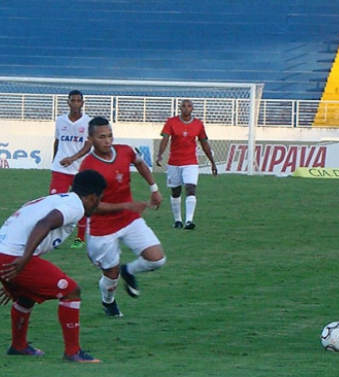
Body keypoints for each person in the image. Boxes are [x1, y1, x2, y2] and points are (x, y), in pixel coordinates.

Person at [0, 169, 107, 363]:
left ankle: (19, 346)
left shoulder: (56, 199)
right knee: (71, 291)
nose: (97, 204)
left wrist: (14, 276)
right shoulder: (75, 206)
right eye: (99, 199)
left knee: (26, 296)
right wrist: (24, 259)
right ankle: (73, 352)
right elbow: (45, 223)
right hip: (11, 255)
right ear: (92, 196)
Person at [79, 116, 166, 317]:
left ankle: (130, 270)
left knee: (157, 260)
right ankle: (108, 303)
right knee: (111, 274)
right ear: (91, 139)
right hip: (102, 228)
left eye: (110, 135)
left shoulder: (125, 151)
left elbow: (141, 164)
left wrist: (154, 189)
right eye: (102, 137)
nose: (108, 140)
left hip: (128, 219)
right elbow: (89, 207)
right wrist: (126, 205)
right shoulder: (88, 167)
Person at [155, 99, 218, 230]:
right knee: (176, 191)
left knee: (190, 188)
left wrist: (212, 162)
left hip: (191, 163)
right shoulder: (171, 122)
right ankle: (178, 220)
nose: (186, 108)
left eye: (189, 106)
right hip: (174, 162)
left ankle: (189, 220)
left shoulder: (198, 124)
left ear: (192, 109)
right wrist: (160, 154)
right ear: (180, 108)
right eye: (183, 106)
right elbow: (165, 139)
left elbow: (204, 143)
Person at [50, 90, 93, 249]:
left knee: (80, 204)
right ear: (68, 102)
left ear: (82, 103)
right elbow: (57, 141)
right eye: (72, 100)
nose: (75, 103)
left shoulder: (88, 122)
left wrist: (72, 158)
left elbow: (88, 145)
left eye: (78, 101)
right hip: (60, 169)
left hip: (79, 171)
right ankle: (53, 239)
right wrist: (54, 160)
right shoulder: (60, 120)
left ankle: (80, 238)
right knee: (54, 203)